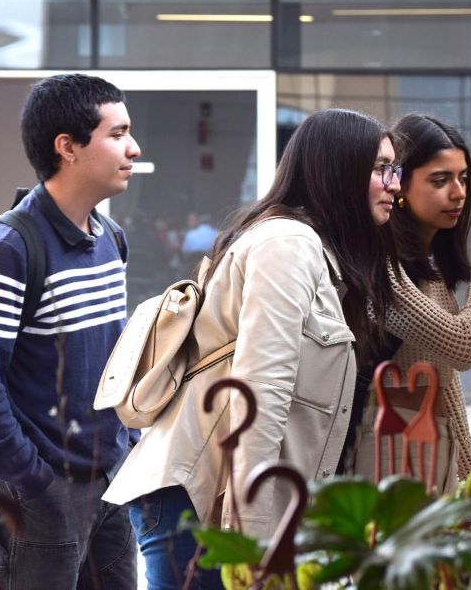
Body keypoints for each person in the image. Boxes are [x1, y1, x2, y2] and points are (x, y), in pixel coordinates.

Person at [103, 108, 401, 589]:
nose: (394, 184)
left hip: (225, 500)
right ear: (338, 171)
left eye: (395, 169)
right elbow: (259, 394)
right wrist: (255, 540)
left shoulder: (318, 253)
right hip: (206, 505)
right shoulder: (288, 245)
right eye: (380, 169)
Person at [0, 73, 141, 589]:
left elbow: (113, 362)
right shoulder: (10, 248)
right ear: (68, 147)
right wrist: (35, 483)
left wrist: (127, 442)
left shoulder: (110, 238)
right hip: (42, 498)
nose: (133, 147)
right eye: (117, 133)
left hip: (109, 482)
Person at [350, 113, 471, 494]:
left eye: (463, 178)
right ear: (400, 184)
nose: (458, 193)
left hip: (415, 458)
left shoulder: (430, 266)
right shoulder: (382, 265)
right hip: (382, 466)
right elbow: (465, 344)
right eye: (440, 180)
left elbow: (443, 389)